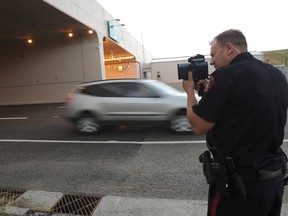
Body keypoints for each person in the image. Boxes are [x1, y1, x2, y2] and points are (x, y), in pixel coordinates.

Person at [182, 29, 288, 216]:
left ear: (229, 48)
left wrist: (189, 91)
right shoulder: (276, 75)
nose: (212, 61)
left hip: (240, 188)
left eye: (214, 55)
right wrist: (212, 93)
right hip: (273, 181)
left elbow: (198, 125)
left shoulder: (225, 76)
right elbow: (246, 106)